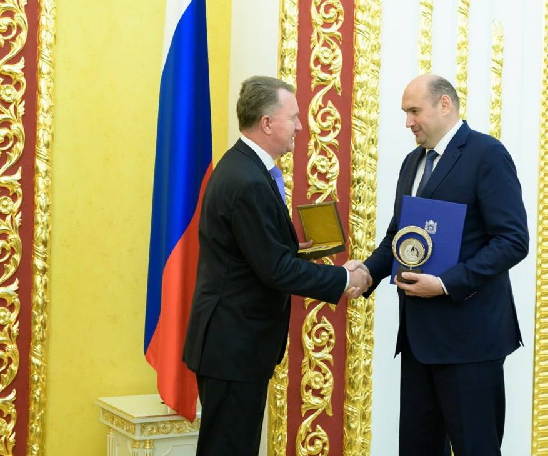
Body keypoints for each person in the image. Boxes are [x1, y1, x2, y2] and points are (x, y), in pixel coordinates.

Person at [183, 75, 372, 456]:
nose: (301, 127)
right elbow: (276, 271)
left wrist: (288, 249)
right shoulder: (248, 180)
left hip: (232, 344)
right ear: (267, 123)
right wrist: (343, 277)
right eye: (294, 117)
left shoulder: (242, 166)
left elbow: (252, 254)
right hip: (234, 345)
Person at [350, 74, 529, 456]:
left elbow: (512, 241)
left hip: (470, 342)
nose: (408, 122)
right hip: (419, 341)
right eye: (405, 113)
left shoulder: (487, 154)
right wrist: (366, 272)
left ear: (444, 104)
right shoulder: (412, 162)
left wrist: (447, 283)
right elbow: (399, 236)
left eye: (414, 111)